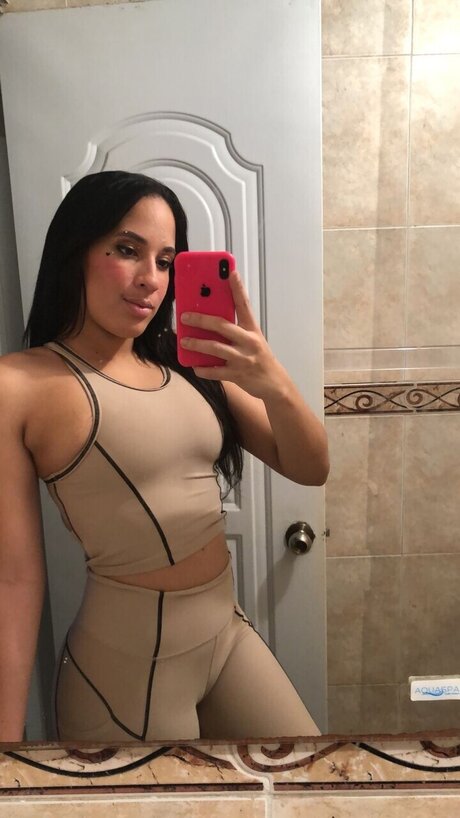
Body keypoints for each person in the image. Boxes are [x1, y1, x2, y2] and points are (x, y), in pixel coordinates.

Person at [0, 171, 329, 743]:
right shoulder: (19, 385)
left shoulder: (188, 362)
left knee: (307, 777)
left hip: (226, 633)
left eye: (166, 260)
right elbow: (13, 578)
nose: (151, 279)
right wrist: (6, 748)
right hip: (126, 670)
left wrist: (274, 381)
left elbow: (310, 468)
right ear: (75, 252)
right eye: (127, 250)